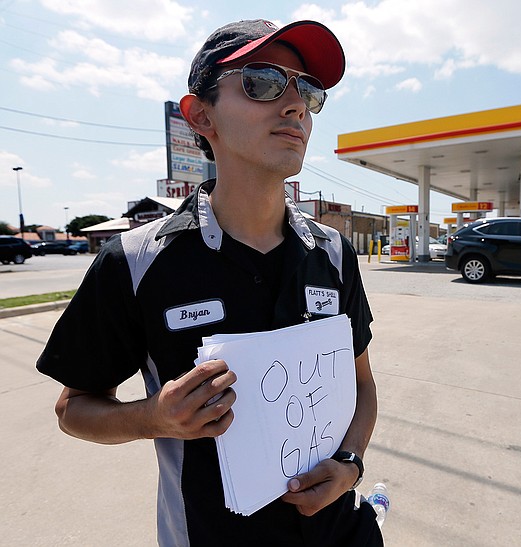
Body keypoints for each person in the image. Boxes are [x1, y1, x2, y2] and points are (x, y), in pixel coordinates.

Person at [36, 18, 382, 547]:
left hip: (341, 534)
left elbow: (361, 385)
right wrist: (155, 416)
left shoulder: (332, 253)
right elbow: (74, 408)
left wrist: (351, 464)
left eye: (308, 91)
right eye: (262, 81)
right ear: (201, 116)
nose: (294, 106)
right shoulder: (135, 261)